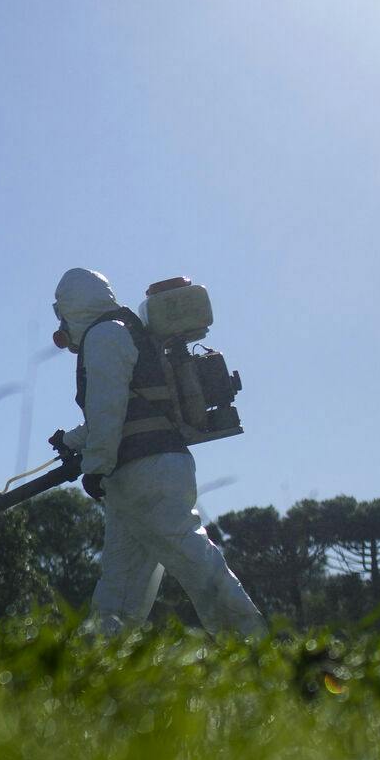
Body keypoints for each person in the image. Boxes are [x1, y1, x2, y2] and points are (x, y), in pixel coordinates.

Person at [52, 268, 266, 635]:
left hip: (143, 471)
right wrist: (72, 442)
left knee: (193, 560)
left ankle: (254, 644)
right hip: (143, 473)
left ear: (73, 307)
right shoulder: (124, 330)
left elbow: (108, 411)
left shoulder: (103, 336)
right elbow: (124, 408)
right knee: (119, 586)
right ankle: (101, 664)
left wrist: (97, 466)